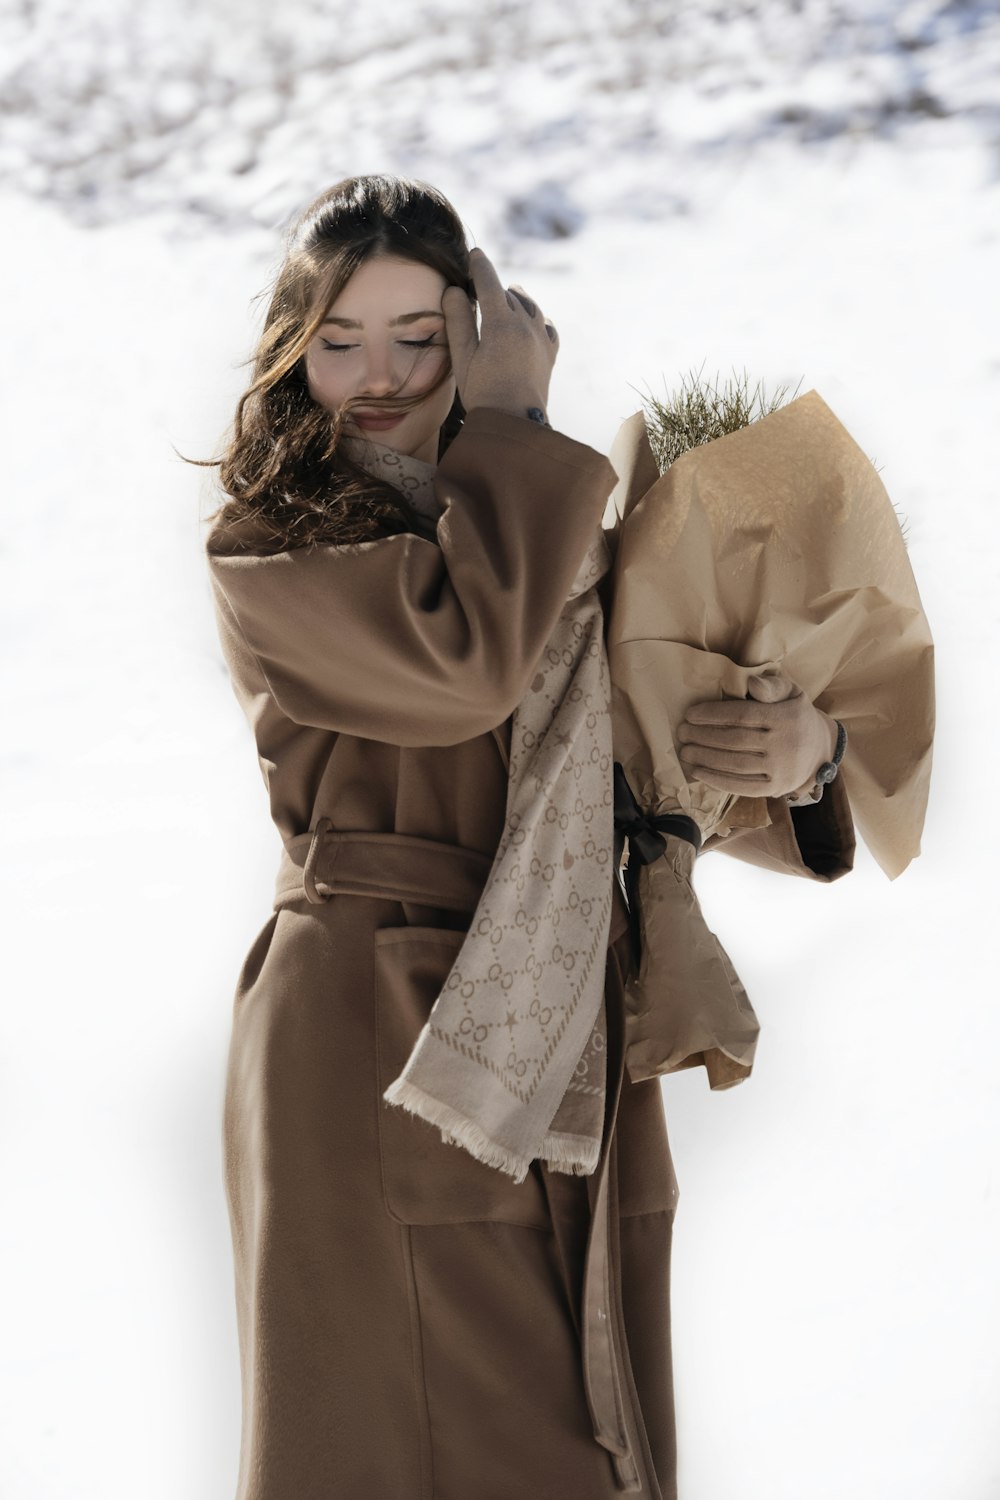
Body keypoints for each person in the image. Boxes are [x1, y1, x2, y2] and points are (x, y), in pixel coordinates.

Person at [196, 173, 854, 1500]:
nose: (376, 374)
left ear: (474, 335)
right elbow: (467, 667)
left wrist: (806, 755)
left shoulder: (546, 533)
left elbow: (660, 763)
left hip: (571, 1043)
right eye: (339, 341)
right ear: (291, 355)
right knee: (424, 1444)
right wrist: (512, 422)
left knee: (584, 1439)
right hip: (378, 1044)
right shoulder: (273, 550)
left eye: (418, 339)